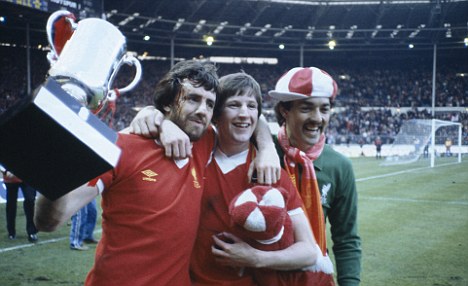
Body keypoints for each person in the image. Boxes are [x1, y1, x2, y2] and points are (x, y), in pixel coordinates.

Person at [34, 60, 276, 286]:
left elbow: (253, 118)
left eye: (210, 104)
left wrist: (267, 149)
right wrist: (55, 163)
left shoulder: (203, 144)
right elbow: (49, 221)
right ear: (168, 103)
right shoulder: (123, 146)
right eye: (193, 99)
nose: (203, 111)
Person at [190, 72, 334, 285]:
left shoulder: (271, 170)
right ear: (216, 113)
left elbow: (308, 252)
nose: (243, 114)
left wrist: (255, 258)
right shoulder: (195, 155)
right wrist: (150, 115)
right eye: (234, 105)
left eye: (251, 106)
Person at [268, 67, 362, 286]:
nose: (317, 118)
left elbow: (346, 239)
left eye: (324, 109)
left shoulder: (340, 167)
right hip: (261, 276)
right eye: (306, 108)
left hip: (313, 278)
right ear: (284, 110)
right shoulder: (261, 150)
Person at [0, 166, 38, 242]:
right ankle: (11, 232)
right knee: (11, 205)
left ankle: (31, 231)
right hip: (10, 177)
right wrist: (5, 171)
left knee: (30, 200)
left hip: (28, 175)